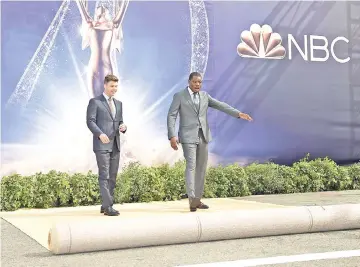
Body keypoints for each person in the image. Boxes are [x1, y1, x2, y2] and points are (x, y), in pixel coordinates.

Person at [167, 72, 253, 212]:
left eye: (200, 82)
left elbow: (221, 105)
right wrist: (172, 136)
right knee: (191, 165)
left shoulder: (204, 96)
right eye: (195, 82)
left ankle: (198, 200)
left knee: (201, 168)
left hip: (203, 136)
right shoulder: (179, 96)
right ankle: (192, 199)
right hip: (188, 136)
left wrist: (238, 113)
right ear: (189, 82)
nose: (197, 85)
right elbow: (171, 116)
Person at [86, 74, 127, 216]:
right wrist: (99, 134)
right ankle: (109, 207)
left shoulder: (119, 104)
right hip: (101, 145)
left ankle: (105, 204)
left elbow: (120, 121)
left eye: (116, 86)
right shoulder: (95, 102)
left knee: (113, 176)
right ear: (105, 85)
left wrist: (123, 127)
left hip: (115, 144)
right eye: (112, 86)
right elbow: (90, 121)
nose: (114, 89)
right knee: (104, 175)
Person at [76, 0, 129, 98]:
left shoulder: (113, 26)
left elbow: (124, 5)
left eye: (104, 11)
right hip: (93, 68)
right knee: (93, 100)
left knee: (109, 101)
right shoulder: (90, 24)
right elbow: (80, 5)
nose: (102, 11)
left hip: (108, 67)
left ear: (108, 14)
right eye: (99, 11)